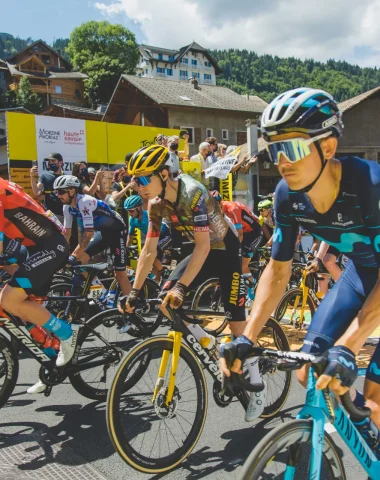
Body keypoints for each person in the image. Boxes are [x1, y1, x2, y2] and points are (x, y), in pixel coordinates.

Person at [220, 87, 380, 448]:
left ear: (327, 147)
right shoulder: (286, 196)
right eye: (275, 150)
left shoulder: (370, 186)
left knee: (375, 398)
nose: (282, 162)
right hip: (362, 275)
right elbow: (277, 273)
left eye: (291, 148)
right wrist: (246, 338)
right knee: (309, 370)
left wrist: (350, 345)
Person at [119, 144, 266, 421]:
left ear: (164, 174)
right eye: (133, 181)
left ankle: (256, 382)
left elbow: (204, 246)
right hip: (198, 250)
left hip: (224, 249)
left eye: (142, 179)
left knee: (236, 323)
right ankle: (206, 340)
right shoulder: (155, 204)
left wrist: (182, 287)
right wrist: (135, 292)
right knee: (165, 302)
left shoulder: (192, 193)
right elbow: (149, 251)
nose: (138, 187)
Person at [0, 179, 80, 394]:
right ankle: (53, 365)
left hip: (51, 247)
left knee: (8, 300)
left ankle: (66, 333)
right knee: (24, 312)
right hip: (36, 250)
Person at [54, 175, 132, 297]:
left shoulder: (84, 201)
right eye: (56, 192)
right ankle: (103, 294)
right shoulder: (67, 207)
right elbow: (67, 233)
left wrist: (73, 255)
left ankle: (130, 306)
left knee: (119, 273)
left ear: (72, 191)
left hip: (117, 231)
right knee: (80, 262)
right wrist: (58, 251)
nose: (58, 195)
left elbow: (88, 233)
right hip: (102, 233)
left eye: (61, 192)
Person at [211, 191, 263, 282]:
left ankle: (252, 291)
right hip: (241, 232)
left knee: (242, 266)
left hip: (253, 232)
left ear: (220, 204)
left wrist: (233, 251)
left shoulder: (232, 209)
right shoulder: (218, 211)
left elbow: (240, 234)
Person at [124, 195, 171, 282]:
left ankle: (165, 272)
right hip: (154, 237)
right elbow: (130, 237)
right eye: (127, 211)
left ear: (138, 208)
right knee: (154, 268)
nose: (130, 213)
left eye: (131, 211)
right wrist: (126, 249)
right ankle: (158, 286)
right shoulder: (132, 220)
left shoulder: (148, 216)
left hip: (165, 235)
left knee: (149, 254)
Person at [30, 152, 64, 220]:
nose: (51, 163)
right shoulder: (45, 175)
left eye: (53, 161)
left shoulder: (65, 177)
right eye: (50, 161)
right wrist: (32, 176)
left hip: (63, 214)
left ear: (60, 163)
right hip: (49, 214)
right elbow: (36, 192)